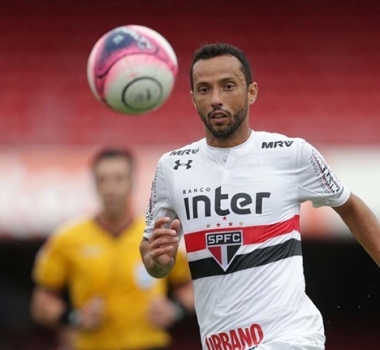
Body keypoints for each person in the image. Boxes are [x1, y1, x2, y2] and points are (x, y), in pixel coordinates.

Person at [140, 42, 380, 350]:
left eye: (228, 86)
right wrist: (157, 262)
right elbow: (153, 253)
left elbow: (350, 207)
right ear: (192, 98)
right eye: (204, 89)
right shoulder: (172, 167)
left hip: (291, 338)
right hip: (219, 342)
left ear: (251, 91)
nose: (215, 99)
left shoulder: (292, 154)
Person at [30, 148, 194, 350]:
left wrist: (174, 309)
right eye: (103, 179)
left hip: (149, 344)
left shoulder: (157, 234)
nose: (110, 188)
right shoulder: (68, 238)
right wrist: (75, 317)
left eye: (118, 178)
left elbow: (191, 287)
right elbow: (41, 302)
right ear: (94, 184)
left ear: (132, 182)